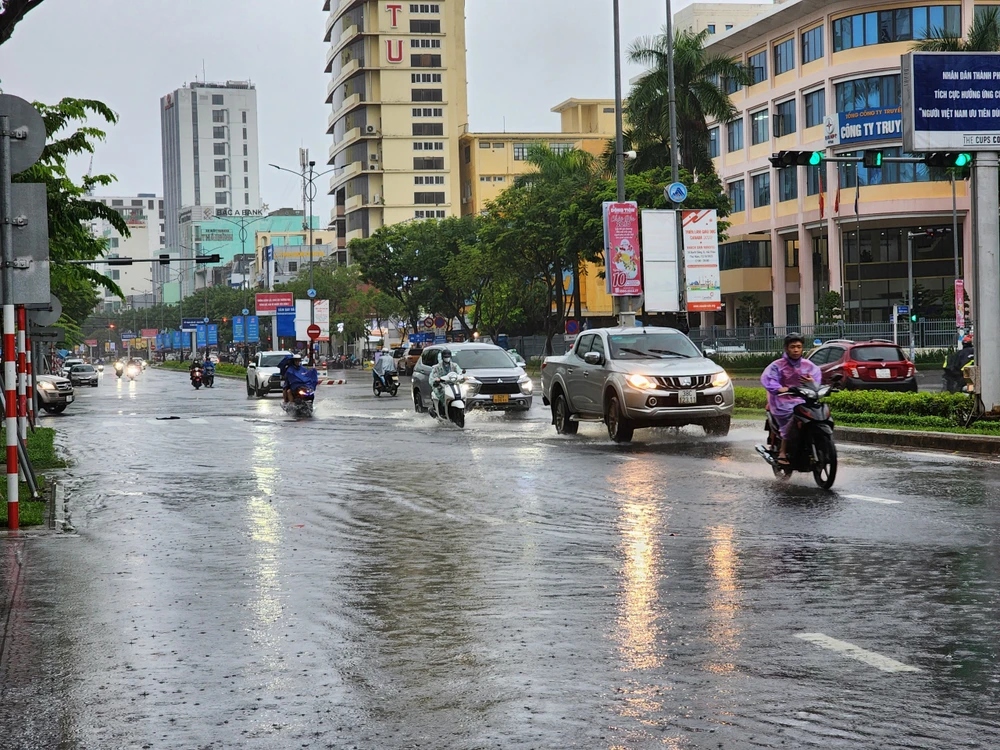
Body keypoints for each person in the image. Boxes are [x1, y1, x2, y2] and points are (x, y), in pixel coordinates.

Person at [761, 333, 823, 464]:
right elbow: (770, 379)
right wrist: (780, 389)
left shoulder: (808, 365)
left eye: (799, 347)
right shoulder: (777, 365)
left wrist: (813, 382)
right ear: (786, 348)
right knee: (792, 415)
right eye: (793, 347)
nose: (796, 350)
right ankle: (782, 452)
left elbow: (816, 379)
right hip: (782, 399)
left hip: (803, 398)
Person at [429, 348, 462, 417]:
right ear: (442, 357)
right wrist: (436, 380)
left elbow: (460, 372)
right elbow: (432, 377)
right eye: (445, 357)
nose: (447, 358)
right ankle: (442, 410)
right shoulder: (437, 367)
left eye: (448, 356)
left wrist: (463, 377)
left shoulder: (454, 365)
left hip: (454, 384)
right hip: (441, 385)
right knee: (442, 393)